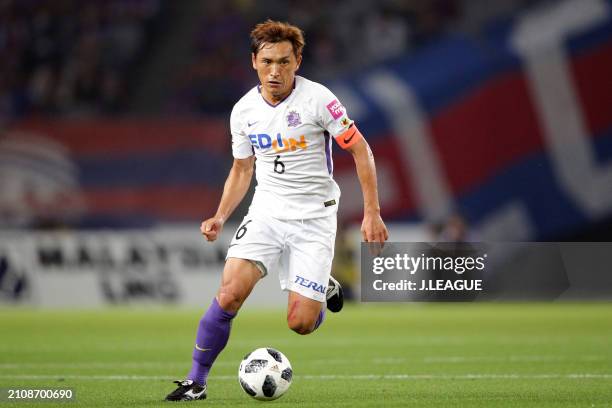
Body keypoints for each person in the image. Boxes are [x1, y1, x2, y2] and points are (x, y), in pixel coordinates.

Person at [165, 20, 388, 401]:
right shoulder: (243, 111)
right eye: (267, 61)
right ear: (254, 61)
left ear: (298, 61)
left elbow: (360, 149)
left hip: (315, 217)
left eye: (284, 61)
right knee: (230, 293)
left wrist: (372, 212)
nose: (275, 71)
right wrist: (220, 215)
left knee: (301, 323)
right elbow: (242, 168)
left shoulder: (319, 100)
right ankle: (195, 382)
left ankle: (321, 290)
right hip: (266, 212)